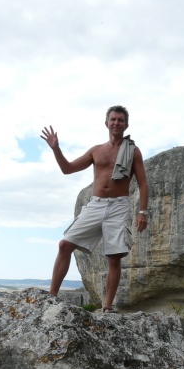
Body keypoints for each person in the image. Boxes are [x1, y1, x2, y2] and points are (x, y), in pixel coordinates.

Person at [40, 105, 149, 312]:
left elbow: (143, 183)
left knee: (114, 257)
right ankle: (51, 296)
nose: (116, 123)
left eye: (120, 120)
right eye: (113, 119)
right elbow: (68, 169)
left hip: (119, 206)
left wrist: (142, 212)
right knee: (65, 245)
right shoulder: (96, 151)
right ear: (106, 123)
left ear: (126, 125)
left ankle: (107, 307)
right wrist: (56, 149)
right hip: (96, 204)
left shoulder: (133, 152)